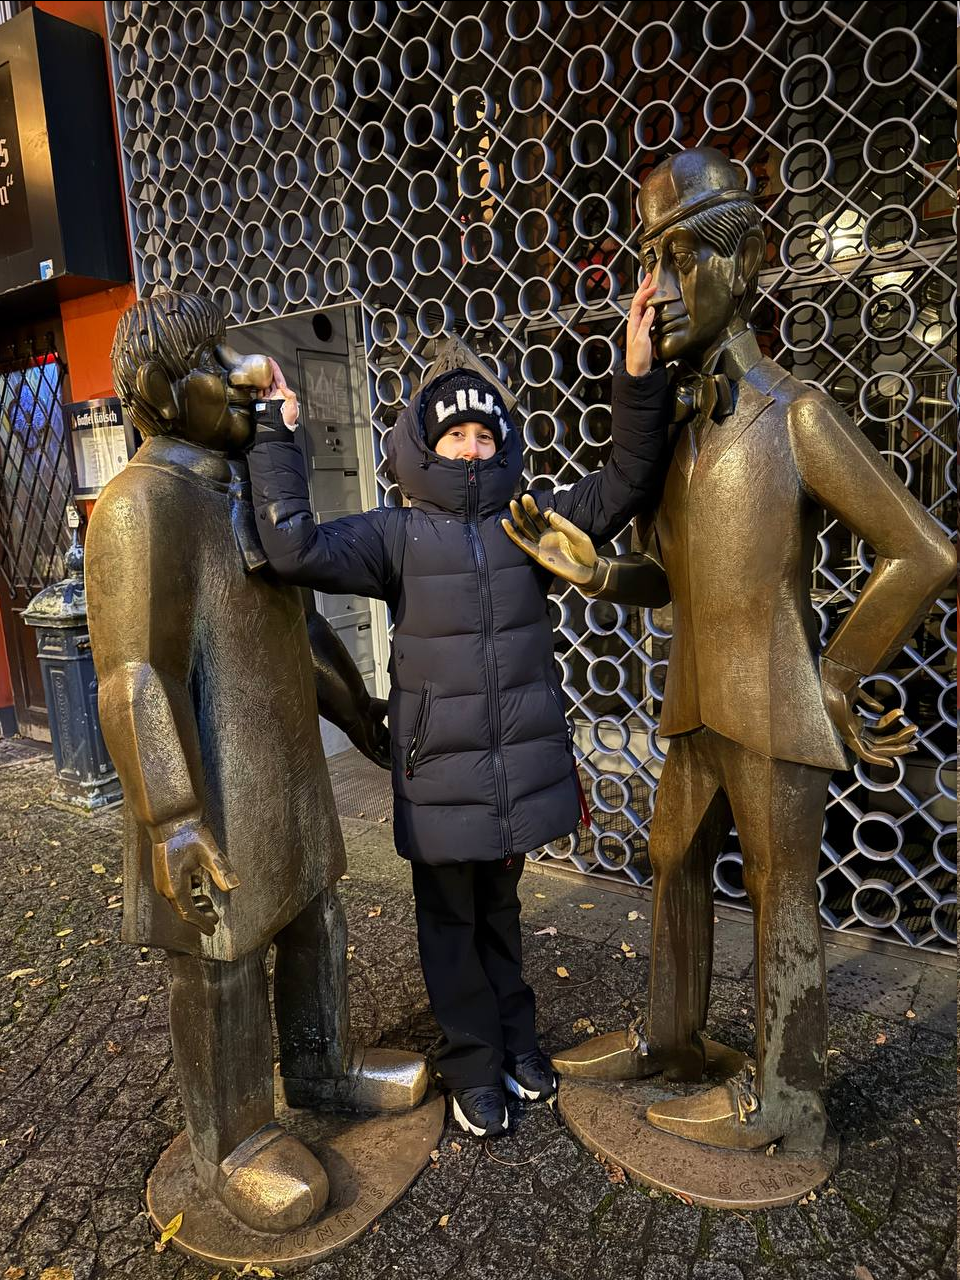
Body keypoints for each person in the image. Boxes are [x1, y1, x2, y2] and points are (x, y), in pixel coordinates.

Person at [503, 147, 956, 1156]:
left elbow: (923, 552)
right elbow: (672, 576)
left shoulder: (797, 416)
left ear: (746, 261)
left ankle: (786, 1092)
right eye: (647, 262)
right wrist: (595, 571)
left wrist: (837, 674)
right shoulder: (681, 433)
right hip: (697, 699)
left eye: (680, 259)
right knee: (672, 858)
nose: (656, 292)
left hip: (776, 701)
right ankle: (671, 1035)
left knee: (778, 889)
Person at [246, 281, 670, 1138]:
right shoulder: (395, 535)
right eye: (455, 435)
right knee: (451, 926)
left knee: (501, 915)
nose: (472, 449)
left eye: (485, 434)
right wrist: (275, 434)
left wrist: (637, 373)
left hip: (514, 772)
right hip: (439, 776)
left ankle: (518, 1043)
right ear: (425, 443)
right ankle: (473, 1064)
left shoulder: (531, 523)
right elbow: (292, 548)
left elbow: (627, 480)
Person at [85, 290, 428, 1234]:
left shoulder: (241, 491)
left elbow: (300, 628)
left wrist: (359, 714)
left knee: (315, 918)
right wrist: (172, 818)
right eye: (212, 364)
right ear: (159, 392)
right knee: (220, 966)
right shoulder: (141, 504)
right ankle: (231, 1139)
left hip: (282, 773)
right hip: (207, 789)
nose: (238, 378)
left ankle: (321, 1065)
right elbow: (132, 676)